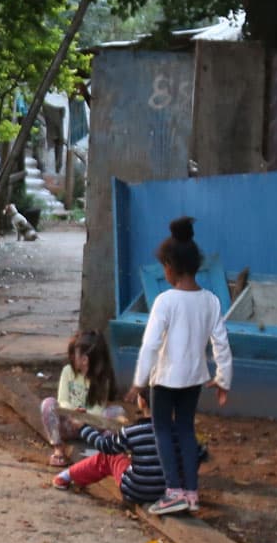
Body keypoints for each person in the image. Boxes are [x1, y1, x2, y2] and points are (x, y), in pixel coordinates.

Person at [127, 215, 231, 516]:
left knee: (162, 429)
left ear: (170, 267)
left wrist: (139, 380)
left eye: (163, 267)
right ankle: (191, 493)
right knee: (186, 429)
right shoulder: (210, 301)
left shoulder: (165, 301)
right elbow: (221, 343)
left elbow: (150, 345)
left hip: (165, 380)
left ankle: (173, 491)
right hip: (195, 379)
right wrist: (223, 378)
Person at [44, 330, 119, 464]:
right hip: (69, 424)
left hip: (90, 428)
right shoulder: (68, 371)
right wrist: (74, 414)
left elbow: (98, 409)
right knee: (48, 403)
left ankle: (103, 449)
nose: (72, 357)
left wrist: (83, 418)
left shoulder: (103, 379)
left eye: (75, 354)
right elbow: (62, 400)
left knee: (117, 412)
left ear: (84, 360)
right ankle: (58, 448)